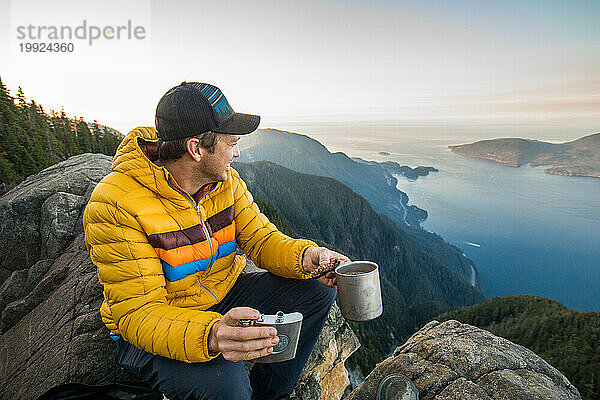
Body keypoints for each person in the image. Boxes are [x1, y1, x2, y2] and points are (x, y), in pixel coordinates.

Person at [83, 82, 350, 400]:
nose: (237, 153)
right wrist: (211, 335)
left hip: (222, 293)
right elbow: (139, 313)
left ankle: (270, 395)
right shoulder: (115, 203)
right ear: (196, 149)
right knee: (228, 385)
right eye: (232, 143)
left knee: (317, 291)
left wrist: (307, 257)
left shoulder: (226, 182)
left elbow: (261, 239)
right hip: (159, 320)